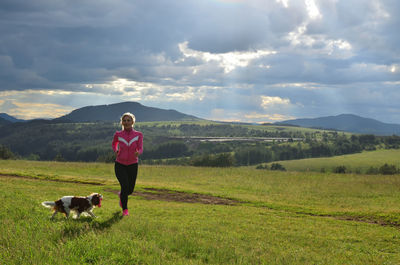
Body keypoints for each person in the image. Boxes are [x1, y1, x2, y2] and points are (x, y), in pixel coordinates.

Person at [111, 112, 143, 216]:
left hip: (133, 164)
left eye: (128, 120)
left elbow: (141, 147)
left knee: (130, 190)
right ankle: (125, 210)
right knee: (124, 186)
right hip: (120, 164)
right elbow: (114, 144)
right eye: (124, 120)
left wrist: (138, 152)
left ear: (132, 122)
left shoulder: (138, 135)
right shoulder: (118, 134)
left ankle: (121, 195)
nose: (126, 122)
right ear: (122, 122)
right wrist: (116, 150)